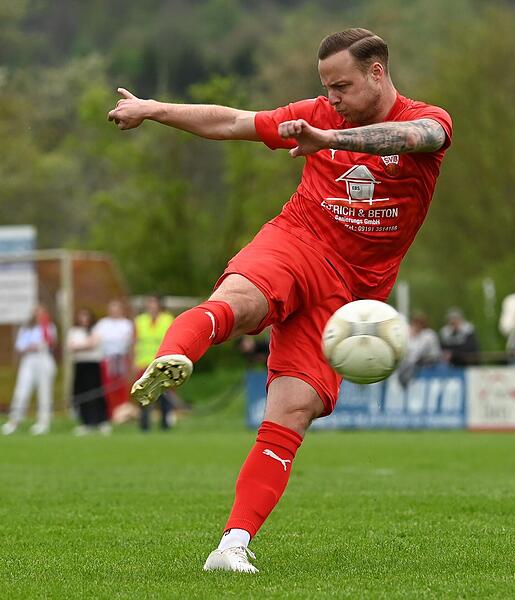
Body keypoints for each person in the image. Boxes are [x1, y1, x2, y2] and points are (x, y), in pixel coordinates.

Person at [108, 28, 452, 572]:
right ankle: (175, 353)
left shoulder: (425, 119)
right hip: (298, 240)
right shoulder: (315, 113)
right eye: (326, 87)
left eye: (341, 85)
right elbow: (233, 121)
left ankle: (232, 546)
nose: (332, 98)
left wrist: (330, 139)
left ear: (377, 73)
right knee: (241, 300)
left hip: (349, 300)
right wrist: (155, 109)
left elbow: (416, 138)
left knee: (292, 412)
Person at [2, 304, 57, 436]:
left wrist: (39, 345)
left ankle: (43, 422)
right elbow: (20, 346)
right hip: (28, 360)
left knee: (44, 391)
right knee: (22, 390)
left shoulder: (49, 327)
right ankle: (14, 421)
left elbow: (51, 343)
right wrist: (29, 346)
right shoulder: (27, 328)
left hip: (44, 359)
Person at [134, 296, 176, 431]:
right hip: (144, 362)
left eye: (154, 303)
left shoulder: (167, 319)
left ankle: (165, 423)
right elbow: (134, 341)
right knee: (144, 394)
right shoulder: (140, 320)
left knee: (165, 395)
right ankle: (144, 424)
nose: (151, 306)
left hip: (162, 362)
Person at [67, 308, 111, 435]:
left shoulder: (96, 329)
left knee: (96, 393)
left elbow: (93, 344)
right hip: (80, 365)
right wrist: (85, 345)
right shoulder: (74, 331)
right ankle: (86, 422)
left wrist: (82, 345)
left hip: (93, 365)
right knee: (82, 394)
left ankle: (102, 421)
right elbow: (72, 346)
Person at [94, 299, 135, 421]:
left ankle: (123, 414)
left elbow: (129, 342)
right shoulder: (103, 324)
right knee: (108, 388)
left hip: (122, 358)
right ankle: (110, 413)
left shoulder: (127, 324)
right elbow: (98, 338)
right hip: (108, 359)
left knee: (121, 387)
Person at [397, 312, 442, 386]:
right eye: (415, 323)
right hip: (408, 364)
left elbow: (435, 353)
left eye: (419, 323)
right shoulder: (408, 334)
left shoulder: (429, 335)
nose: (416, 326)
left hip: (424, 363)